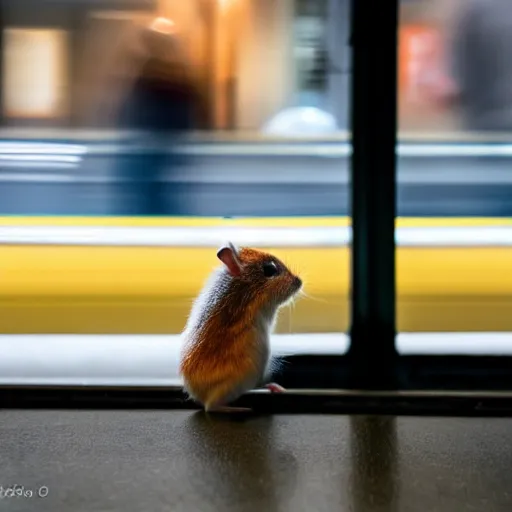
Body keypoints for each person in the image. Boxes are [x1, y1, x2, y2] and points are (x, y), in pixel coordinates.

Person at [114, 17, 200, 215]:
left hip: (154, 148)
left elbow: (141, 110)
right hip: (159, 148)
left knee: (152, 196)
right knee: (158, 195)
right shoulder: (173, 73)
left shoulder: (157, 74)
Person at [431, 0, 512, 133]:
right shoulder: (476, 11)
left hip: (487, 129)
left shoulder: (474, 11)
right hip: (489, 128)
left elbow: (451, 86)